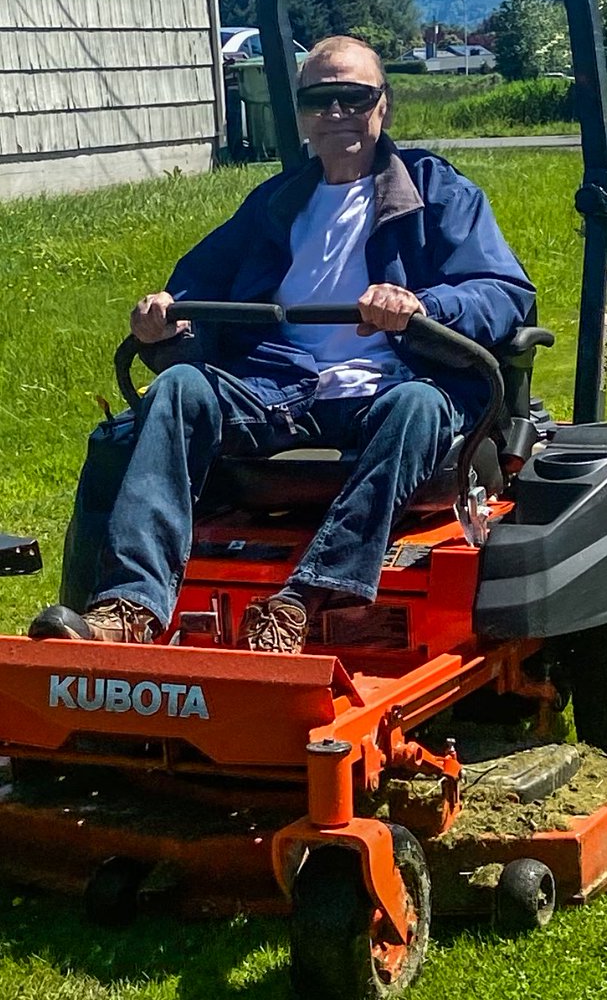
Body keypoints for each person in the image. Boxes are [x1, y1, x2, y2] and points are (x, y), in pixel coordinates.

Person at [29, 36, 535, 654]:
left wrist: (422, 308)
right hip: (279, 387)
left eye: (355, 96)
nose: (337, 112)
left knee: (421, 407)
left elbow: (504, 291)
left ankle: (304, 597)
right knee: (178, 388)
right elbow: (197, 283)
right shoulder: (276, 202)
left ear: (384, 106)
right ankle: (129, 605)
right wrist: (164, 313)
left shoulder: (439, 193)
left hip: (391, 383)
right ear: (300, 113)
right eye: (320, 99)